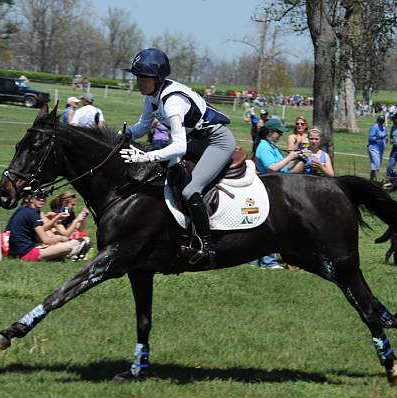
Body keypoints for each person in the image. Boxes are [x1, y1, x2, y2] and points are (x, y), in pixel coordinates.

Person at [119, 48, 235, 268]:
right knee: (164, 173)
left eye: (144, 79)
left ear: (158, 78)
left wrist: (145, 156)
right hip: (198, 140)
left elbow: (179, 146)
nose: (139, 83)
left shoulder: (172, 101)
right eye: (137, 78)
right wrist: (124, 135)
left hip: (217, 141)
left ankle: (207, 247)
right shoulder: (152, 96)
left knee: (190, 190)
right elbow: (143, 126)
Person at [252, 118, 293, 269]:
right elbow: (272, 168)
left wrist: (301, 159)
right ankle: (268, 262)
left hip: (277, 187)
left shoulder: (273, 147)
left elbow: (285, 169)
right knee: (274, 226)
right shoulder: (263, 147)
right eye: (279, 132)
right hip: (269, 189)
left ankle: (256, 259)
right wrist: (290, 157)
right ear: (270, 132)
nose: (281, 135)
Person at [5, 190, 88, 262]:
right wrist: (62, 239)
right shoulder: (32, 213)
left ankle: (59, 254)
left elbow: (43, 230)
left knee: (70, 242)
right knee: (69, 246)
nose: (42, 199)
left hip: (23, 250)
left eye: (44, 196)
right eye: (38, 197)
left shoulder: (27, 210)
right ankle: (69, 253)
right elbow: (46, 240)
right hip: (26, 254)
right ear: (29, 199)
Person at [368, 115, 387, 182]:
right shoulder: (375, 127)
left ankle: (371, 181)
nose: (381, 122)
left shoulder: (384, 128)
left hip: (381, 149)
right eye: (380, 120)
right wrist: (378, 138)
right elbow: (370, 137)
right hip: (374, 148)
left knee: (374, 165)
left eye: (382, 121)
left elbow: (385, 137)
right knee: (377, 164)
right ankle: (377, 180)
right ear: (378, 120)